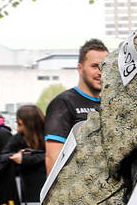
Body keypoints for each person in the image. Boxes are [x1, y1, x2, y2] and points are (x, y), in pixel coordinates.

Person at [44, 38, 108, 174]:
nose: (100, 72)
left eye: (104, 66)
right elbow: (53, 157)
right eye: (94, 66)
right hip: (78, 188)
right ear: (80, 68)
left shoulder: (110, 103)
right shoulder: (63, 103)